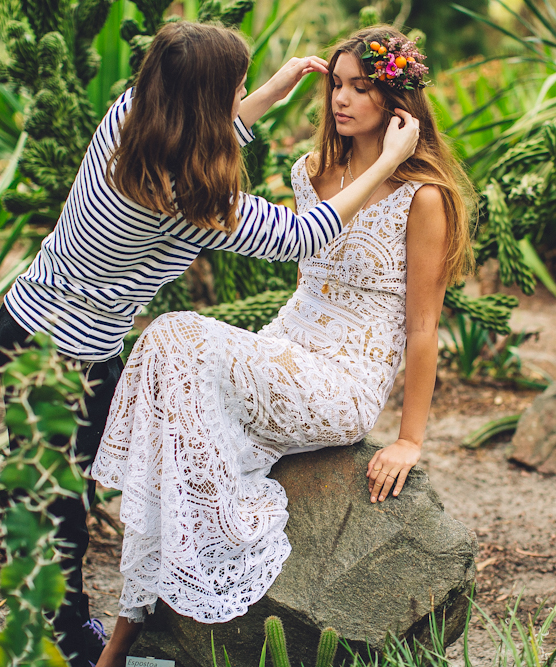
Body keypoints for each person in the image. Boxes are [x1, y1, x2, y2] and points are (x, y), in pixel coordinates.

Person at [0, 21, 420, 667]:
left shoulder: (132, 117)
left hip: (49, 323)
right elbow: (302, 237)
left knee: (64, 492)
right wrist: (388, 162)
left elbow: (194, 134)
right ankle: (59, 637)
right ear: (206, 100)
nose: (245, 90)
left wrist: (267, 95)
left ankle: (71, 623)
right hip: (60, 348)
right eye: (237, 86)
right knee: (58, 500)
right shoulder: (184, 193)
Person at [90, 24, 473, 667]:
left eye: (362, 88)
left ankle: (156, 614)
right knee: (173, 419)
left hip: (343, 383)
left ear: (398, 101)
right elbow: (306, 270)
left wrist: (409, 439)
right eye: (337, 86)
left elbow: (423, 326)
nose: (340, 100)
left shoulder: (423, 196)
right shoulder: (311, 172)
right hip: (285, 350)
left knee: (173, 332)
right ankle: (124, 643)